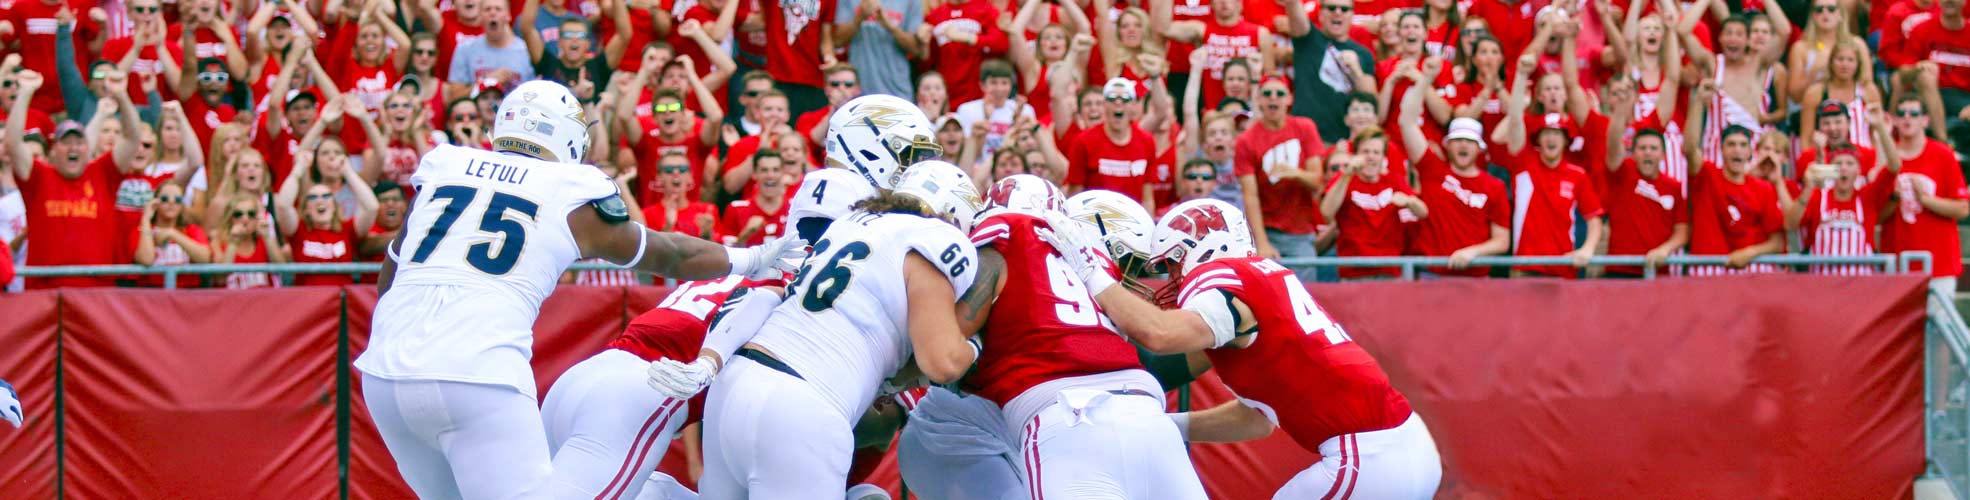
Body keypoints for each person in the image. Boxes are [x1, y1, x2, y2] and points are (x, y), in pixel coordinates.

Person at [354, 80, 807, 500]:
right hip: (479, 374)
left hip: (385, 373)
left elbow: (393, 270)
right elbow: (669, 254)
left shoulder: (445, 165)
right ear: (568, 135)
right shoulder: (569, 187)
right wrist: (749, 258)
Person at [1045, 198, 1441, 499]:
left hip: (1368, 456)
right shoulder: (1257, 287)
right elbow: (1256, 419)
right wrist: (1168, 427)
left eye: (1175, 264)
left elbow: (1160, 335)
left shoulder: (1226, 275)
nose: (1171, 280)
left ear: (1202, 250)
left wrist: (1090, 271)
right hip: (1402, 446)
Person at [690, 162, 983, 500]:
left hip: (735, 386)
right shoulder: (937, 238)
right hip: (804, 403)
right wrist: (974, 344)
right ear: (953, 213)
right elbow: (942, 361)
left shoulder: (850, 221)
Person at [954, 175, 1207, 500]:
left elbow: (947, 354)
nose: (1136, 280)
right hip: (1143, 415)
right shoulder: (1087, 260)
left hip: (1059, 417)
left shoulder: (1006, 240)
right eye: (1129, 264)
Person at [543, 275, 786, 500]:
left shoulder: (715, 279)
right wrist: (708, 363)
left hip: (584, 375)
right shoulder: (780, 293)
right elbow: (764, 297)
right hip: (641, 393)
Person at [7, 71, 139, 289]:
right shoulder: (38, 176)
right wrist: (25, 93)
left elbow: (132, 138)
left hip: (96, 292)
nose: (73, 148)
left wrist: (121, 96)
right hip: (46, 293)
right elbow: (13, 144)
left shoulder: (103, 173)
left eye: (79, 142)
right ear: (53, 149)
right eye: (65, 142)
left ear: (88, 149)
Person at [1495, 56, 1604, 279]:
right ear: (1537, 139)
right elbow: (1515, 121)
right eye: (1546, 134)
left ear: (1566, 140)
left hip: (1564, 270)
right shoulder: (1523, 164)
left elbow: (1594, 218)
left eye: (1557, 134)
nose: (1551, 139)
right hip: (1525, 269)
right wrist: (1522, 76)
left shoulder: (1577, 175)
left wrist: (1588, 249)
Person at [1235, 76, 1326, 282]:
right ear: (1258, 99)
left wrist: (1295, 173)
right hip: (1267, 230)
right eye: (1267, 94)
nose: (1273, 98)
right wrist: (1262, 242)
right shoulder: (1246, 140)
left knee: (1306, 296)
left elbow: (1317, 181)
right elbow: (1250, 197)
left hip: (1300, 232)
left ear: (1289, 99)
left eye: (1279, 93)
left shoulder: (1305, 128)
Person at [1884, 95, 1969, 292]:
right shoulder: (1887, 156)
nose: (1907, 118)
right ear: (1894, 119)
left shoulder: (1943, 155)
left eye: (1913, 114)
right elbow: (1874, 216)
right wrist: (1894, 198)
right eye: (1901, 113)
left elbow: (1962, 208)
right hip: (1897, 265)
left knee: (1940, 322)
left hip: (1939, 266)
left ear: (1925, 120)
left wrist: (1925, 200)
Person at [1321, 129, 1426, 280]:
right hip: (1354, 273)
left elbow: (1423, 212)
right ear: (1356, 154)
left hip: (1390, 271)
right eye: (1365, 152)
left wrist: (1409, 202)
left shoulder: (1393, 180)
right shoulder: (1344, 179)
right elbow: (1326, 212)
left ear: (1383, 157)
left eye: (1376, 152)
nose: (1371, 157)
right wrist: (1347, 174)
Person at [1287, 0, 1376, 143]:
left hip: (1340, 141)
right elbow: (1294, 8)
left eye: (1344, 9)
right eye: (1331, 8)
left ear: (1352, 15)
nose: (1337, 12)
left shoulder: (1363, 54)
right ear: (1321, 13)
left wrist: (1356, 70)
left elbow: (1370, 100)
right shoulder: (1308, 39)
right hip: (1302, 138)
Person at [1065, 78, 1159, 208]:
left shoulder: (1147, 141)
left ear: (1133, 105)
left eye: (1125, 99)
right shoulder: (1083, 141)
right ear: (1104, 104)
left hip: (1132, 221)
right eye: (1112, 99)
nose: (1118, 103)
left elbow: (1148, 198)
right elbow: (1074, 195)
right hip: (1094, 220)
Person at [835, 0, 926, 100]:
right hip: (857, 91)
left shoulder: (911, 2)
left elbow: (917, 50)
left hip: (897, 91)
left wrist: (890, 26)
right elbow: (837, 41)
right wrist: (860, 16)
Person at [925, 0, 1009, 107]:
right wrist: (921, 41)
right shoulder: (934, 15)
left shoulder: (984, 8)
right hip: (946, 98)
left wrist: (969, 37)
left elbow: (1002, 44)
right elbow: (926, 62)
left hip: (977, 97)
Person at [446, 0, 533, 99]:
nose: (492, 13)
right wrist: (487, 82)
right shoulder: (465, 49)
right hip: (478, 113)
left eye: (498, 9)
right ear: (480, 17)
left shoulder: (525, 50)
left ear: (508, 16)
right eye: (487, 9)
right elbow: (454, 97)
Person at [133, 183, 212, 288]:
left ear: (182, 205)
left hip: (186, 294)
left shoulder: (192, 230)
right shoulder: (142, 230)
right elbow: (146, 260)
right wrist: (146, 218)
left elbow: (205, 258)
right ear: (155, 202)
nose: (171, 202)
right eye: (165, 198)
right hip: (152, 296)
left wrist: (172, 234)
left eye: (178, 199)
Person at [718, 150, 793, 246]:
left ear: (783, 173)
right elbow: (728, 257)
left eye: (776, 170)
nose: (770, 175)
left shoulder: (794, 208)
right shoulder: (736, 209)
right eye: (764, 170)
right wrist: (745, 235)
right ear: (754, 173)